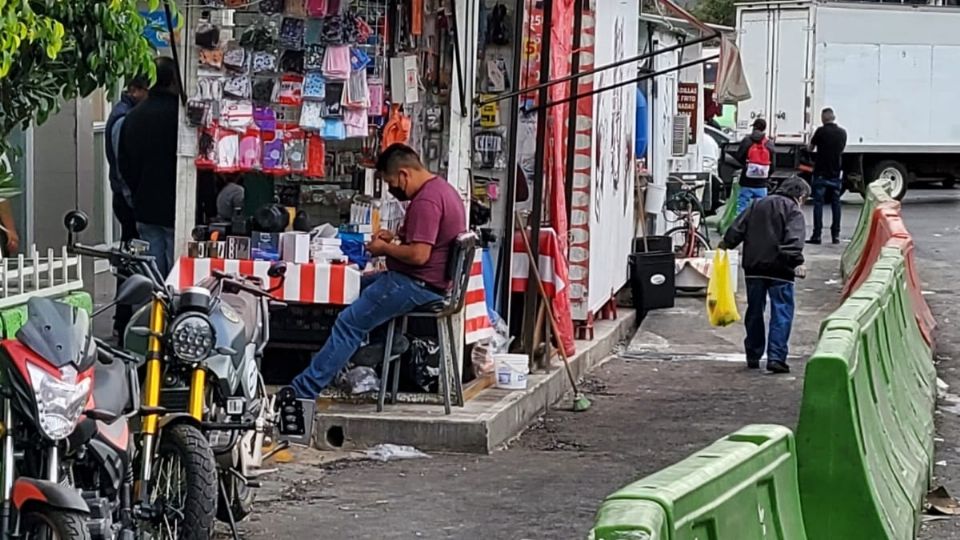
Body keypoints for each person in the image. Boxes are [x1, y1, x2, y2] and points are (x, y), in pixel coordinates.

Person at [290, 144, 467, 398]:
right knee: (353, 287)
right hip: (423, 281)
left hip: (416, 284)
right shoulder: (442, 190)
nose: (392, 191)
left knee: (349, 324)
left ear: (404, 174)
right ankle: (386, 340)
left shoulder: (426, 201)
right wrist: (395, 236)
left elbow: (419, 255)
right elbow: (427, 238)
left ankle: (303, 390)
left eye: (390, 182)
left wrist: (383, 248)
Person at [719, 176, 810, 374]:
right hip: (781, 270)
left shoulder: (756, 205)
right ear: (800, 196)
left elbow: (736, 229)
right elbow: (794, 241)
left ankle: (753, 354)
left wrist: (725, 246)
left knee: (754, 311)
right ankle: (776, 358)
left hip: (754, 267)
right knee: (781, 312)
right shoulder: (793, 211)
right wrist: (796, 262)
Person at [118, 57, 179, 276]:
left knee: (151, 273)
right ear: (174, 80)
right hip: (176, 206)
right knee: (176, 272)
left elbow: (124, 163)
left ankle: (152, 310)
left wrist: (135, 194)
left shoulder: (133, 116)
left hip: (145, 205)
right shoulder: (180, 117)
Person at [105, 75, 149, 244]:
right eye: (147, 91)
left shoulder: (126, 113)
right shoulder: (123, 118)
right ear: (134, 91)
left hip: (125, 194)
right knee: (132, 243)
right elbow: (120, 161)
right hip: (125, 196)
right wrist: (130, 197)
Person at [807, 108, 847, 245]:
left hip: (821, 173)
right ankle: (835, 235)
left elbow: (810, 148)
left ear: (823, 118)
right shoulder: (842, 133)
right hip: (836, 173)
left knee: (818, 204)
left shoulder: (820, 132)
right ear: (834, 117)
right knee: (836, 205)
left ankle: (816, 235)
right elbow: (841, 149)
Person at [734, 118, 776, 214]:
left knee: (742, 207)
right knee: (761, 210)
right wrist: (765, 176)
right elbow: (773, 166)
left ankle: (741, 226)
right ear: (764, 129)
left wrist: (746, 166)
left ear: (754, 128)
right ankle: (756, 227)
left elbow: (738, 156)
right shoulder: (769, 143)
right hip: (762, 184)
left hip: (746, 182)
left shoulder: (747, 141)